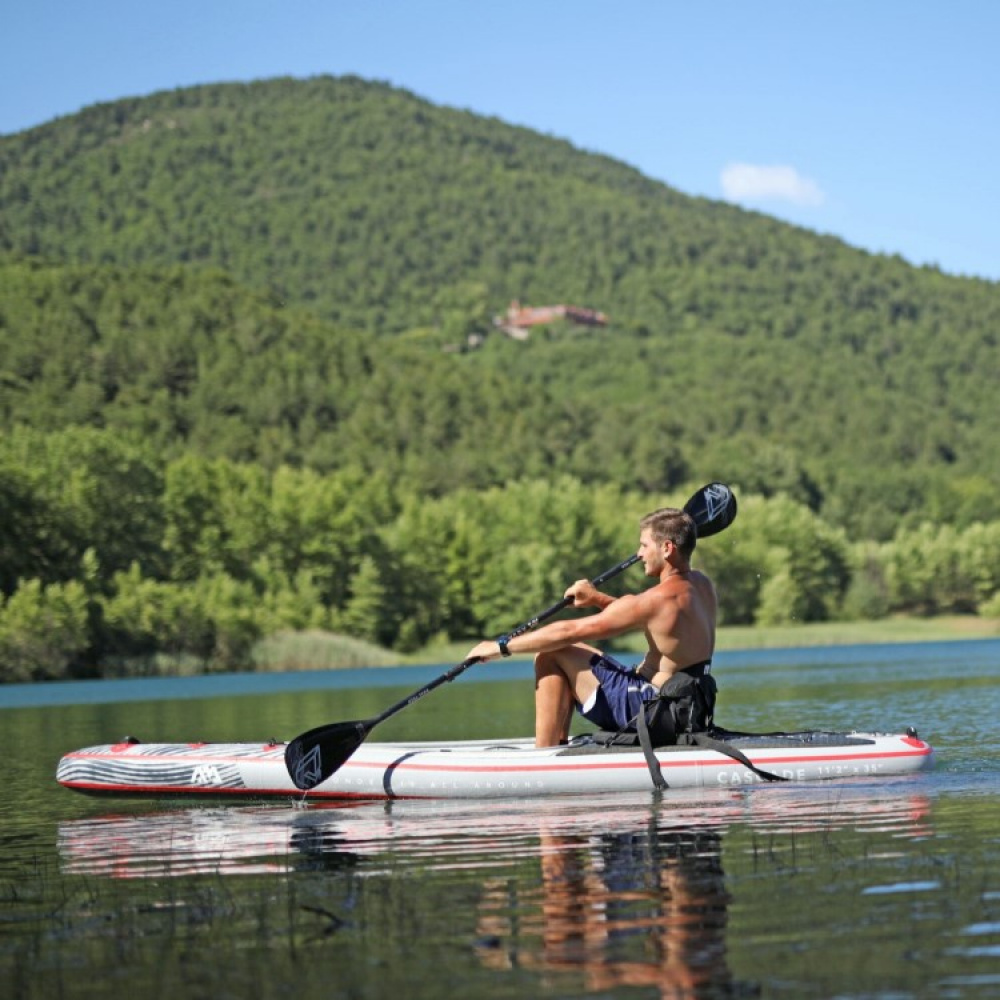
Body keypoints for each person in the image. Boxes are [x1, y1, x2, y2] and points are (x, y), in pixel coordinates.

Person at [466, 507, 718, 748]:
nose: (639, 553)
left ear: (667, 548)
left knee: (552, 653)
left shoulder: (656, 600)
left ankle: (544, 754)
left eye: (644, 545)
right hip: (689, 709)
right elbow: (651, 617)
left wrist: (500, 647)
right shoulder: (702, 585)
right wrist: (597, 599)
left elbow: (568, 631)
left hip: (653, 710)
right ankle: (556, 745)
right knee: (571, 649)